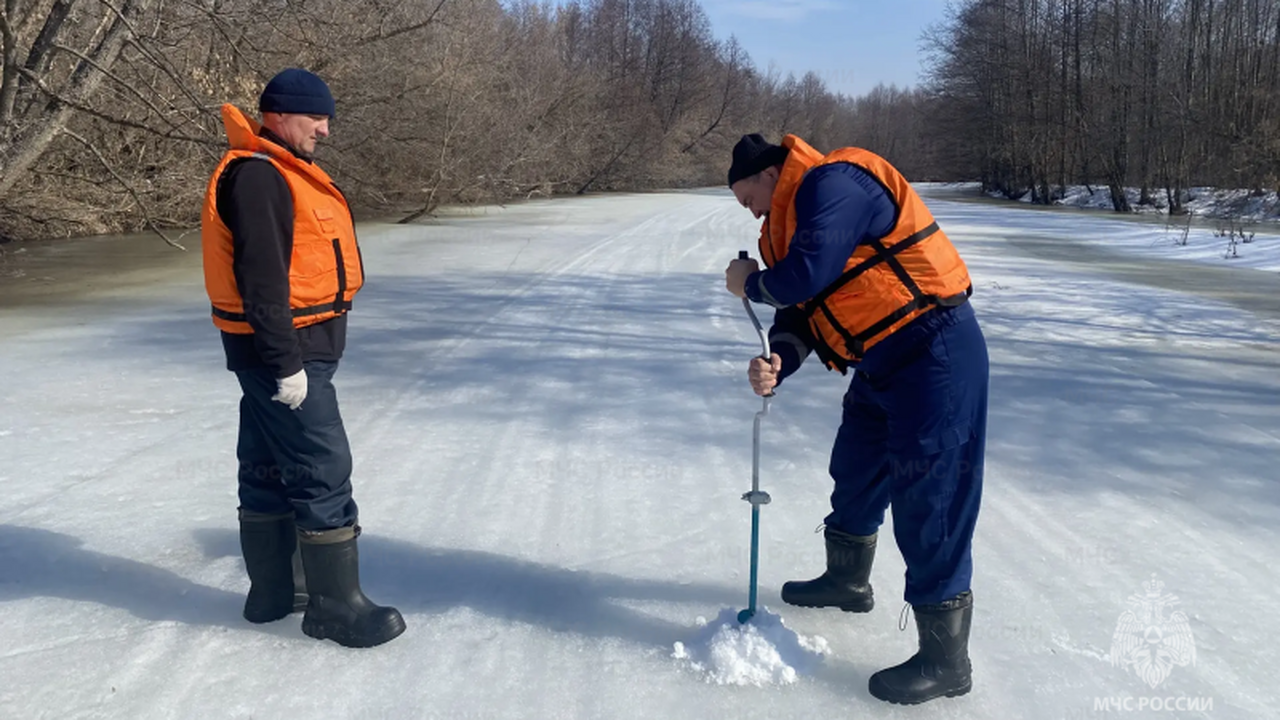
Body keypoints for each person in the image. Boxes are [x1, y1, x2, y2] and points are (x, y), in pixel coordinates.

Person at [723, 133, 988, 704]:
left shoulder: (836, 181)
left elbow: (806, 275)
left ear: (771, 174)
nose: (754, 212)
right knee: (857, 470)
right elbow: (803, 314)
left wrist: (752, 284)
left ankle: (947, 661)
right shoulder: (789, 224)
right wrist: (779, 360)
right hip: (879, 361)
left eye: (750, 199)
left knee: (931, 500)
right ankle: (847, 581)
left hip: (934, 352)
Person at [201, 68, 405, 648]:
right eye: (317, 118)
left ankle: (273, 593)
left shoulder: (273, 171)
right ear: (282, 115)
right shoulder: (262, 178)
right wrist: (286, 362)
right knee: (321, 470)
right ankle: (336, 607)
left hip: (273, 353)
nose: (325, 130)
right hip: (284, 356)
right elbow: (263, 280)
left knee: (267, 468)